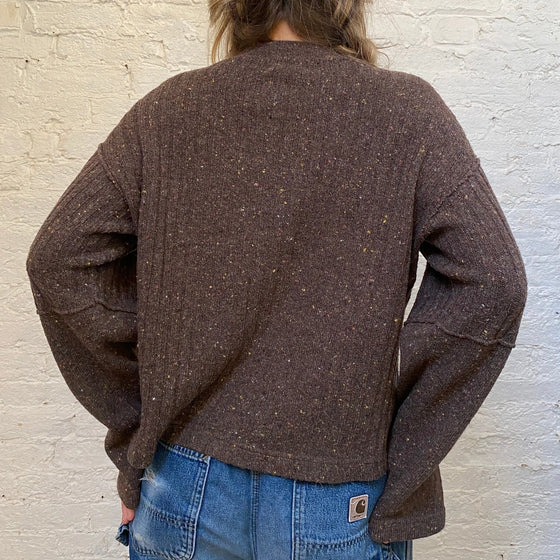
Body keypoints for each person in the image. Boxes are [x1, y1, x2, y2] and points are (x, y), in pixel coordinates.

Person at [25, 0, 528, 559]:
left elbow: (58, 260)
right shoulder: (407, 112)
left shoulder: (170, 109)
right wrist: (404, 444)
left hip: (184, 484)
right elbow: (495, 281)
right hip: (338, 493)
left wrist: (136, 427)